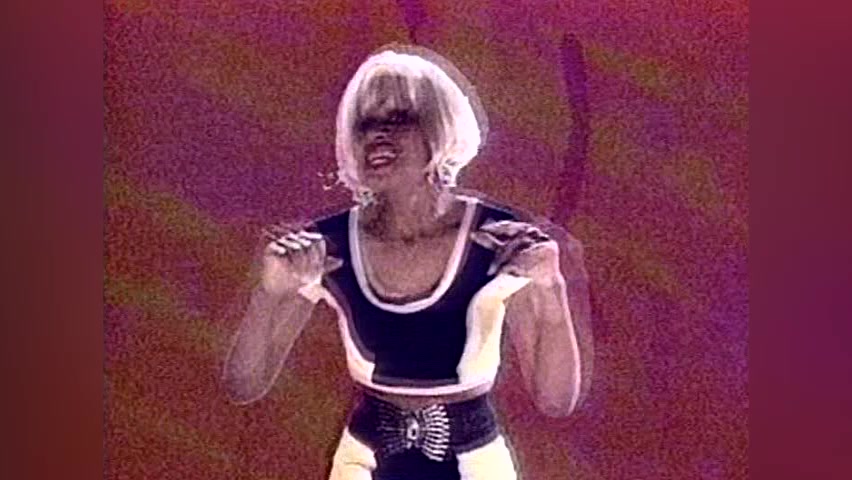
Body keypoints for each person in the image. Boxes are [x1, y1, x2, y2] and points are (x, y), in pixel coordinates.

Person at [221, 44, 591, 480]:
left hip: (475, 465)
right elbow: (244, 384)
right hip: (363, 464)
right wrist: (269, 294)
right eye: (365, 122)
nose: (377, 134)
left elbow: (556, 400)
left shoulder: (501, 241)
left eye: (399, 118)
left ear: (440, 127)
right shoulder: (326, 247)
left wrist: (551, 287)